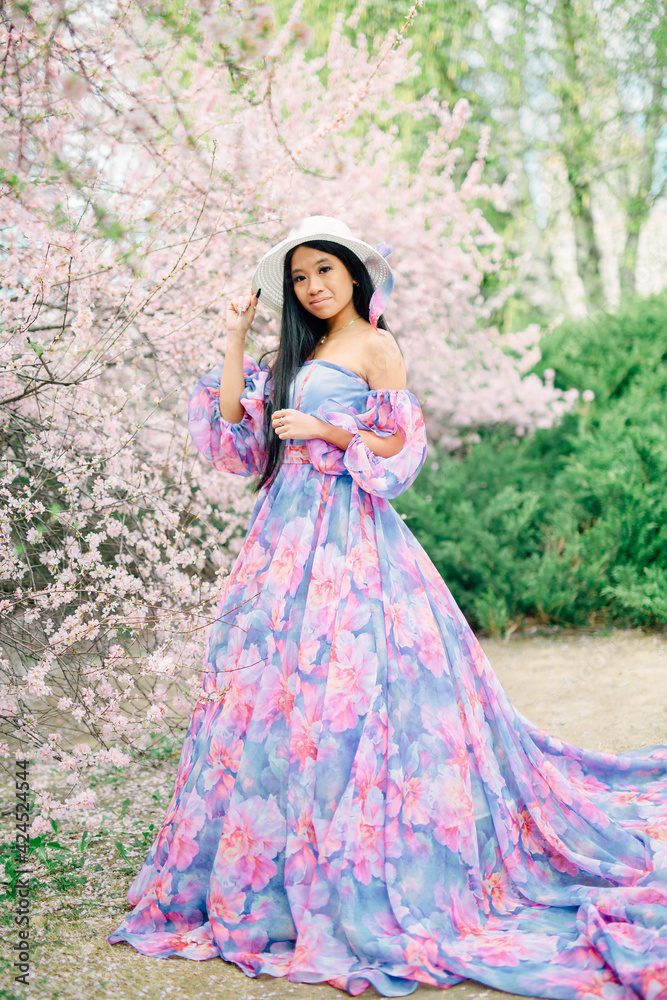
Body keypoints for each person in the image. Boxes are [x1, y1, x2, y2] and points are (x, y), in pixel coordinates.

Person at [108, 216, 667, 998]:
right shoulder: (295, 354)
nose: (312, 286)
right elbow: (235, 428)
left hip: (352, 538)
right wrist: (235, 335)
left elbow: (402, 450)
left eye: (324, 272)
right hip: (283, 539)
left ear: (353, 276)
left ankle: (369, 854)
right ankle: (273, 862)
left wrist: (326, 430)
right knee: (276, 697)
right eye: (300, 277)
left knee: (358, 684)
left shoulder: (376, 346)